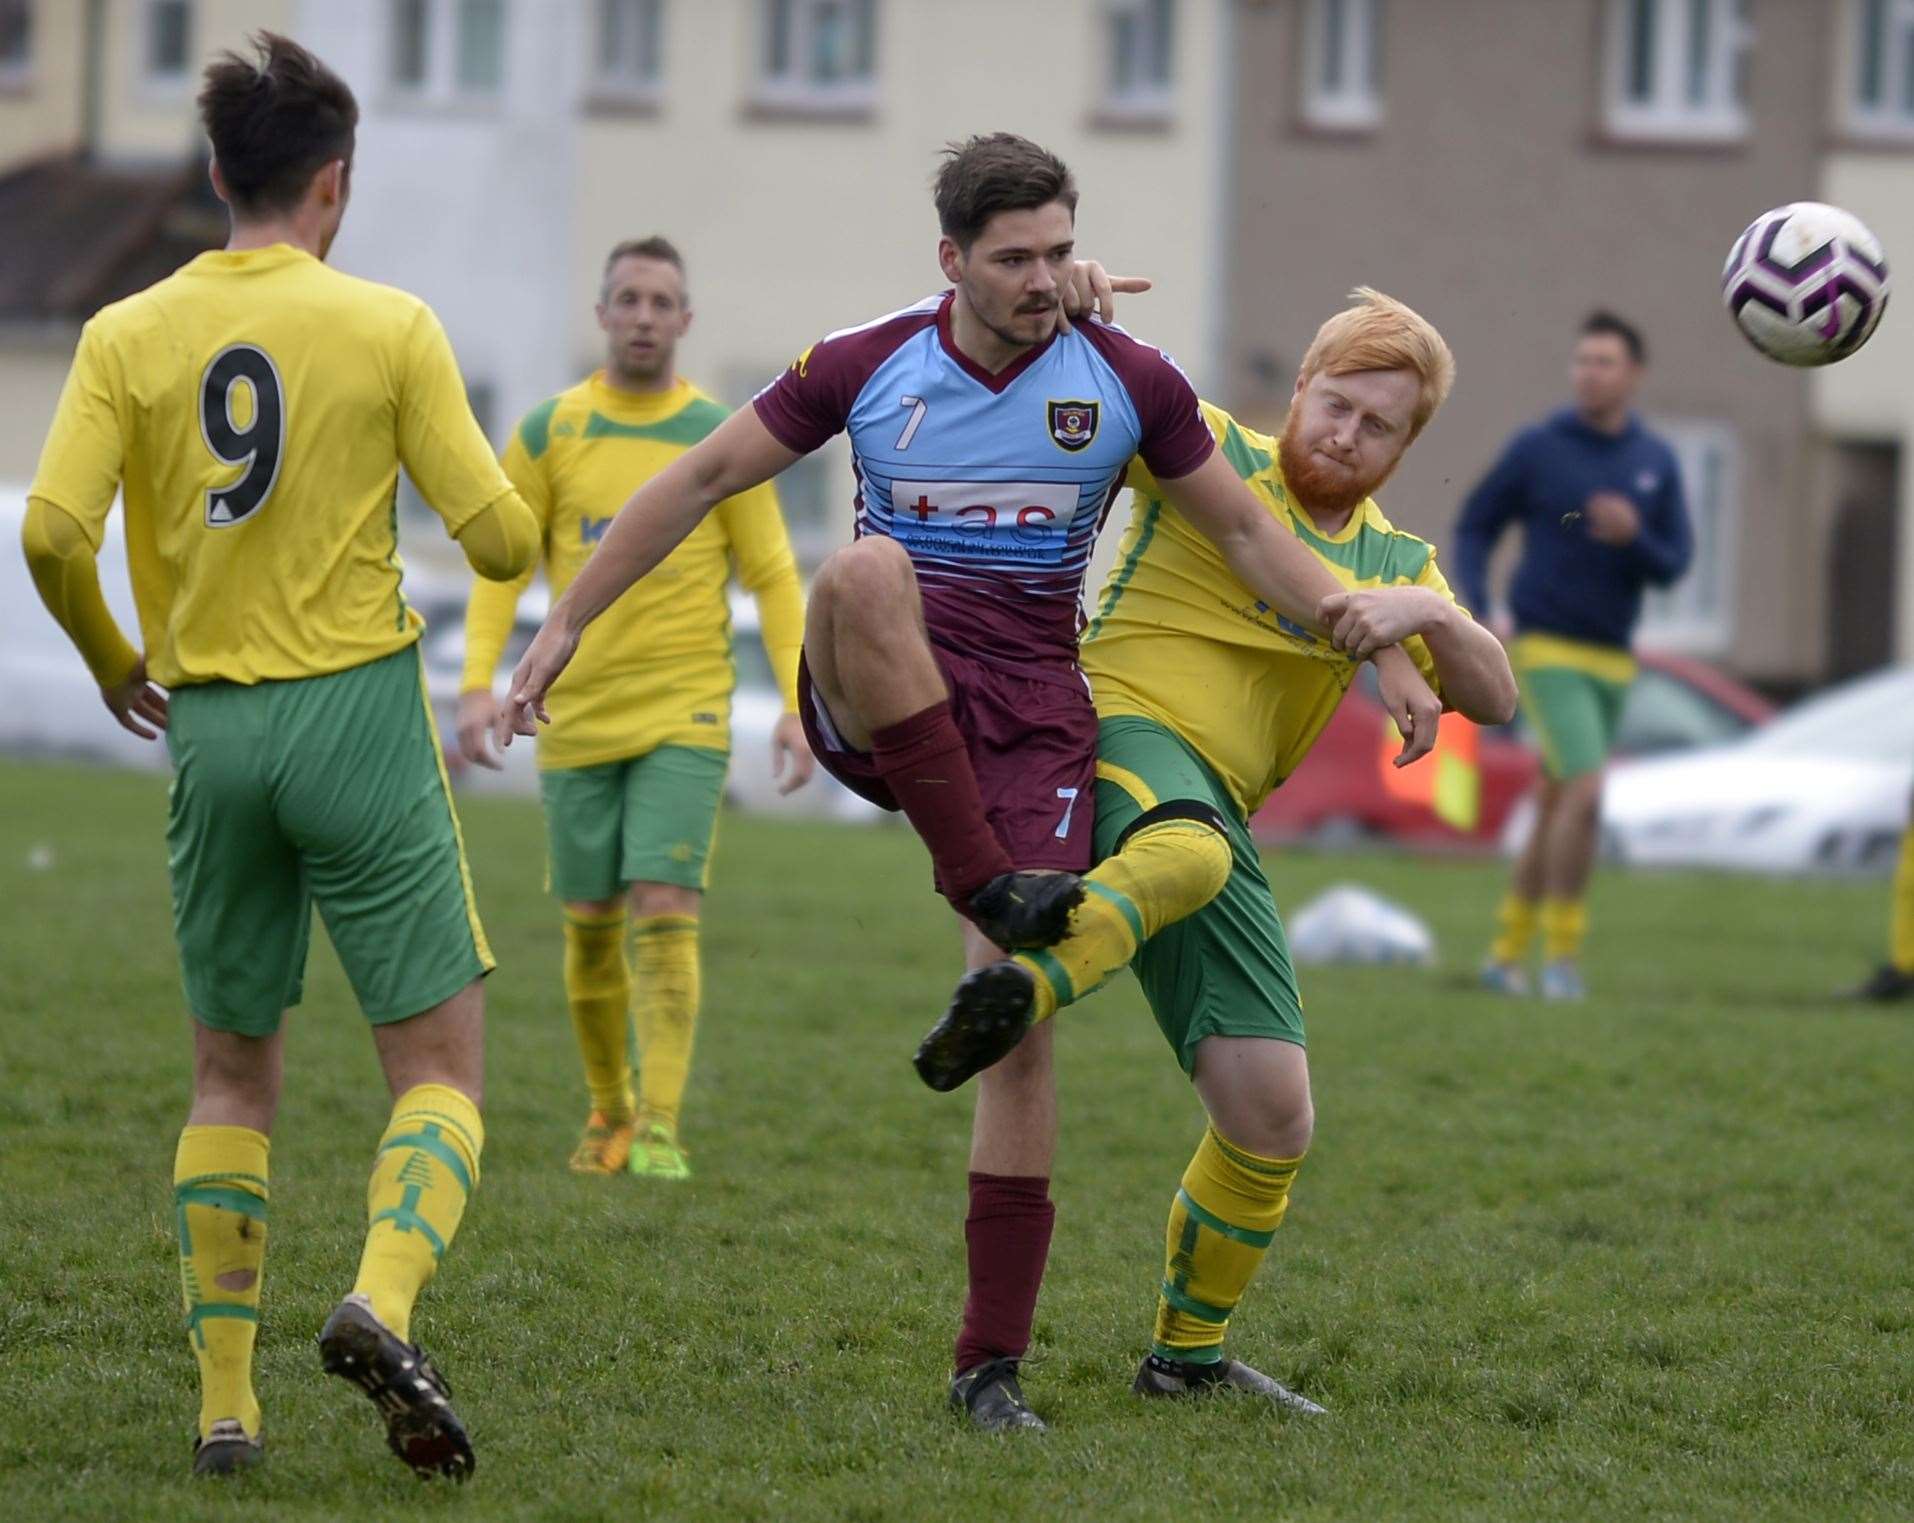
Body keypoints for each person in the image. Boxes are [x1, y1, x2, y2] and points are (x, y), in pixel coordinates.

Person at [496, 134, 1446, 1433]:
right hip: (877, 680)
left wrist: (1374, 627)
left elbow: (1241, 528)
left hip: (1027, 717)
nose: (1044, 278)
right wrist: (563, 621)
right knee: (863, 573)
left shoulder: (1122, 380)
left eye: (1060, 250)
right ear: (950, 260)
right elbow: (706, 476)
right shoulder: (868, 359)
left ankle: (987, 1366)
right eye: (1014, 258)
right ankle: (983, 874)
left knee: (1013, 1026)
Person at [19, 33, 539, 1481]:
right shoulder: (389, 326)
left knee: (230, 1072)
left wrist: (118, 657)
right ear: (335, 184)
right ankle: (378, 1296)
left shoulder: (126, 332)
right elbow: (497, 536)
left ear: (209, 175)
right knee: (437, 1064)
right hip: (358, 713)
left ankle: (225, 1402)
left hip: (214, 725)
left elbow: (52, 533)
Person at [924, 289, 1516, 1414]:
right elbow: (1068, 382)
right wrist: (1068, 294)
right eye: (1335, 403)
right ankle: (1024, 982)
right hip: (1111, 743)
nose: (1345, 433)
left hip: (1212, 817)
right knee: (1186, 848)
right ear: (1298, 389)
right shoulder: (1207, 449)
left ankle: (1183, 1357)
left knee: (1272, 1109)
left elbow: (1495, 695)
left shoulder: (1398, 558)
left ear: (1406, 445)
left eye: (1377, 425)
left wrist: (1428, 620)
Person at [457, 237, 814, 1180]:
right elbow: (503, 566)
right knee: (588, 920)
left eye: (664, 301)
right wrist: (476, 684)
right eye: (630, 298)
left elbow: (774, 574)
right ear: (604, 313)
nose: (647, 315)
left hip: (684, 714)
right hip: (572, 715)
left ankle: (659, 1123)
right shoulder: (547, 432)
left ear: (685, 320)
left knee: (664, 902)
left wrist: (793, 700)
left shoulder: (720, 434)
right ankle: (607, 1109)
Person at [1456, 312, 1692, 1001]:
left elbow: (1676, 564)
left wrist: (1634, 538)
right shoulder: (1539, 446)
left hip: (1614, 657)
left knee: (1561, 798)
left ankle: (1504, 954)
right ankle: (1562, 957)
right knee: (1587, 792)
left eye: (1605, 361)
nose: (1589, 371)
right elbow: (1475, 523)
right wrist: (1481, 603)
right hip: (1545, 646)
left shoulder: (1656, 461)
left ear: (1635, 375)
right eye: (1582, 359)